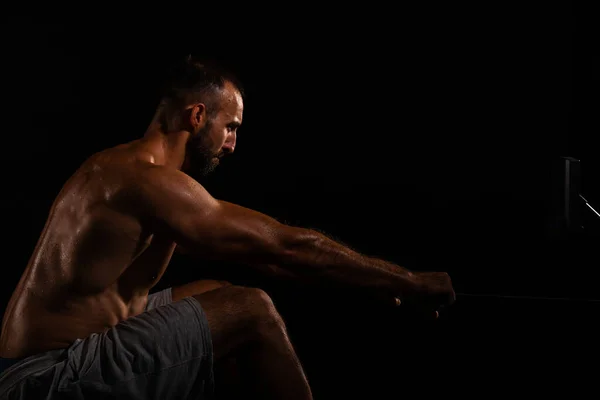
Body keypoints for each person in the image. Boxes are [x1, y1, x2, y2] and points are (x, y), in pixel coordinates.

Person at [0, 56, 455, 399]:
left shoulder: (120, 166)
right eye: (231, 127)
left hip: (54, 355)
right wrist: (407, 279)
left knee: (215, 292)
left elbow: (273, 259)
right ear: (198, 117)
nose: (232, 145)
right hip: (46, 377)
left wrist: (364, 279)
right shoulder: (148, 182)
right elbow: (283, 247)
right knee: (250, 310)